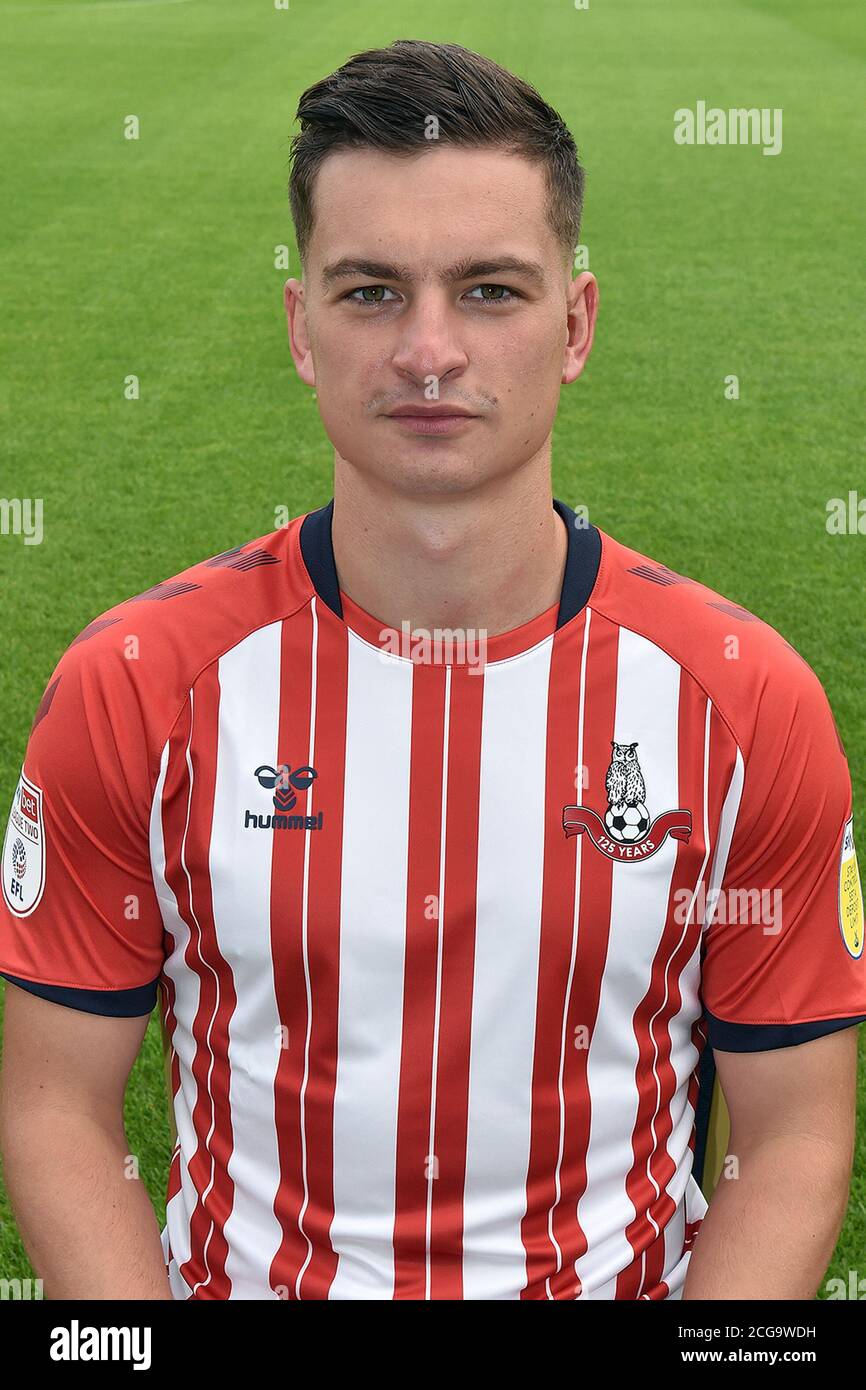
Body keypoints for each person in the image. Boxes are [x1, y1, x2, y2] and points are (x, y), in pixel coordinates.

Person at [1, 39, 863, 1302]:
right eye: (369, 292)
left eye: (489, 290)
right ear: (301, 327)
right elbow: (55, 1109)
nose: (428, 351)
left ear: (574, 324)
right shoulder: (135, 684)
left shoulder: (742, 699)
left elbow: (791, 1134)